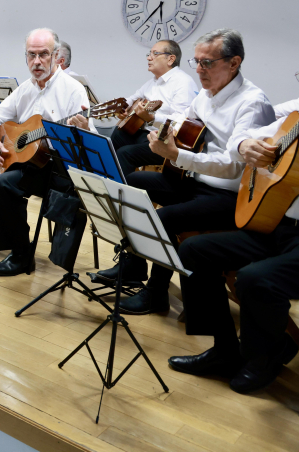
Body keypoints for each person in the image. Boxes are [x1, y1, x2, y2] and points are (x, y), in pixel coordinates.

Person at [168, 37, 299, 395]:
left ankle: (265, 356)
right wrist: (245, 145)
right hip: (279, 227)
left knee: (256, 278)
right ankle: (225, 348)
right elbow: (257, 132)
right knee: (194, 252)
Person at [108, 29, 275, 314]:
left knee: (164, 218)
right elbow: (185, 125)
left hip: (230, 195)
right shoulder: (206, 95)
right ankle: (133, 263)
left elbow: (236, 166)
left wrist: (177, 155)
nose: (199, 69)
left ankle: (155, 295)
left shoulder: (252, 103)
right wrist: (162, 133)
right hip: (194, 180)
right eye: (196, 62)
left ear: (234, 63)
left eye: (207, 63)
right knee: (130, 183)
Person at [0, 29, 92, 276]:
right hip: (23, 160)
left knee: (6, 183)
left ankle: (22, 255)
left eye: (43, 54)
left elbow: (88, 142)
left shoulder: (73, 90)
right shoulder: (26, 88)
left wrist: (84, 129)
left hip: (54, 167)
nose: (37, 61)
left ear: (56, 56)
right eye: (31, 55)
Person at [112, 40, 197, 175]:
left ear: (170, 59)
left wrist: (153, 118)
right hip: (145, 134)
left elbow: (181, 123)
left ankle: (117, 191)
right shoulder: (153, 82)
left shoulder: (183, 83)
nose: (149, 57)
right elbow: (132, 98)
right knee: (116, 135)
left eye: (155, 53)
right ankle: (102, 180)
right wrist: (123, 109)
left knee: (125, 153)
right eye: (149, 53)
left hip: (166, 141)